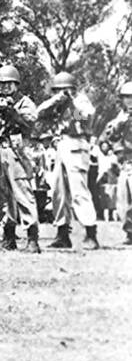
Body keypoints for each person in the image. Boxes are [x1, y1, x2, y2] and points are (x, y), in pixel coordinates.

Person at [0, 64, 40, 253]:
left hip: (18, 150)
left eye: (9, 84)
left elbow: (31, 123)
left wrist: (13, 112)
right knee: (4, 195)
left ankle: (32, 238)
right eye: (2, 84)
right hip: (2, 150)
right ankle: (9, 237)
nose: (5, 87)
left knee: (23, 193)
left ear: (16, 84)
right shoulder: (0, 101)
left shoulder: (25, 103)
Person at [35, 71, 100, 249]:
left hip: (77, 143)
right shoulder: (56, 104)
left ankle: (90, 233)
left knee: (79, 190)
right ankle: (62, 234)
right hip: (60, 145)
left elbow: (86, 117)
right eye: (58, 90)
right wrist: (56, 101)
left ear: (73, 89)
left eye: (65, 89)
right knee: (58, 191)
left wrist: (70, 103)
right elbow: (38, 113)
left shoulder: (80, 100)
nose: (62, 93)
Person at [98, 81, 132, 245]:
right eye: (126, 98)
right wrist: (119, 125)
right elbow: (105, 141)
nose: (130, 101)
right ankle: (130, 233)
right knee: (123, 203)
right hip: (125, 163)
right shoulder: (118, 119)